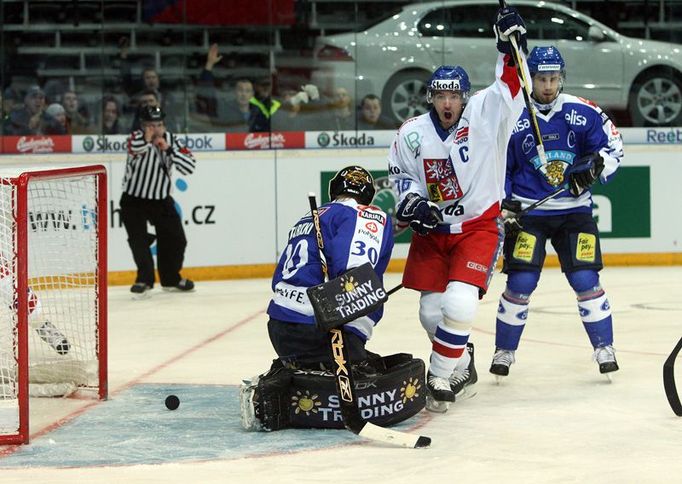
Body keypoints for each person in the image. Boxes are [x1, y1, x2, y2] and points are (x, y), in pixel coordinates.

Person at [387, 6, 529, 411]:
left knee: (459, 304)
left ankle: (440, 375)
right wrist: (412, 202)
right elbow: (402, 176)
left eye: (454, 95)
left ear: (465, 97)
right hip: (433, 235)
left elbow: (511, 84)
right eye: (440, 95)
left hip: (477, 228)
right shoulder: (412, 133)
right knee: (431, 312)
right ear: (430, 96)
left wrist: (509, 46)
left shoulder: (487, 114)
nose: (447, 102)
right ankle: (463, 362)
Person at [489, 46, 624, 379]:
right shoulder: (512, 114)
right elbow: (497, 164)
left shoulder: (583, 111)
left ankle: (604, 348)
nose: (548, 85)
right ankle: (504, 352)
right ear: (529, 78)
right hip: (528, 214)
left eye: (553, 78)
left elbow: (613, 148)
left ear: (561, 77)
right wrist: (504, 200)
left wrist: (595, 165)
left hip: (573, 212)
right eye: (541, 78)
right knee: (520, 282)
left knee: (585, 279)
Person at [267, 166, 393, 368]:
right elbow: (355, 277)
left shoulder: (310, 216)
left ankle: (295, 371)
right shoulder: (364, 214)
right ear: (369, 195)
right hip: (323, 330)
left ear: (333, 190)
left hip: (279, 326)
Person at [119, 105, 196, 298]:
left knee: (177, 239)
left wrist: (169, 150)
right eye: (152, 125)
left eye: (160, 124)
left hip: (161, 199)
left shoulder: (171, 140)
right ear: (143, 125)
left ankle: (170, 278)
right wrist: (148, 140)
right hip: (134, 199)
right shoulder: (135, 138)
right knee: (138, 240)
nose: (156, 129)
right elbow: (134, 151)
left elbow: (189, 166)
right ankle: (144, 280)